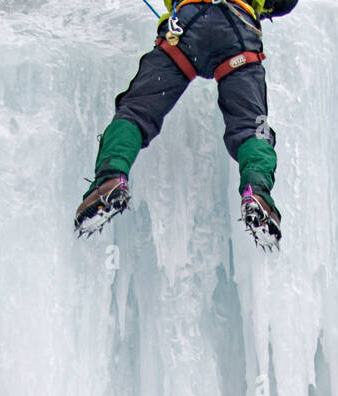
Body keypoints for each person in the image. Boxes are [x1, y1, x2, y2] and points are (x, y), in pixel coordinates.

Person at [74, 0, 298, 249]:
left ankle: (110, 179)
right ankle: (258, 194)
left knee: (136, 111)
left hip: (186, 29)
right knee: (251, 127)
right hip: (238, 33)